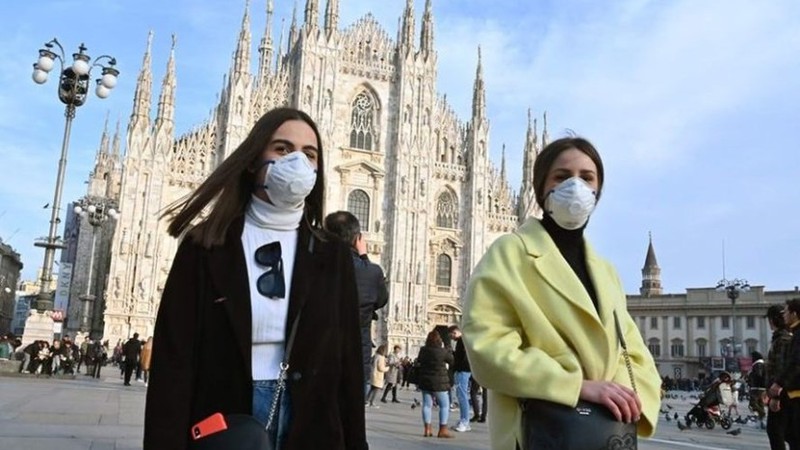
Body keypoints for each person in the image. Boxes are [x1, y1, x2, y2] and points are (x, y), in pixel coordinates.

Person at [144, 107, 367, 450]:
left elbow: (349, 365)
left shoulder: (331, 255)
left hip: (312, 425)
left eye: (309, 154)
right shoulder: (205, 246)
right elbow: (173, 364)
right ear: (252, 160)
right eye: (282, 149)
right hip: (226, 423)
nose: (297, 162)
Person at [462, 137, 662, 450]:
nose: (575, 186)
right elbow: (487, 346)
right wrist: (575, 387)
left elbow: (634, 351)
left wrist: (620, 395)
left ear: (597, 191)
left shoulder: (605, 270)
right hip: (540, 431)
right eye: (562, 176)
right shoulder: (511, 253)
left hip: (603, 432)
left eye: (587, 177)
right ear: (541, 187)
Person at [324, 210, 389, 396]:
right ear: (357, 239)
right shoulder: (372, 272)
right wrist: (364, 258)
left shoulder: (314, 264)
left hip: (321, 354)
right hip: (356, 357)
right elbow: (381, 299)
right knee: (350, 418)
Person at [769, 298, 800, 450]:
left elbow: (790, 365)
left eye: (787, 312)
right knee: (791, 434)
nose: (785, 315)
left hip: (790, 392)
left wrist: (776, 390)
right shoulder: (793, 335)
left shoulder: (788, 338)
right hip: (790, 391)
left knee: (777, 432)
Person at [416, 330, 455, 439]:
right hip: (439, 382)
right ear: (439, 340)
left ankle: (427, 429)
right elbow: (452, 361)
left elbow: (419, 361)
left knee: (427, 405)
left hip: (425, 381)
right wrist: (448, 350)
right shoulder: (442, 351)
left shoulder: (423, 350)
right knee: (444, 405)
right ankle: (442, 430)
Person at [765, 304, 792, 450]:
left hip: (782, 394)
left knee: (775, 431)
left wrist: (775, 396)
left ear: (773, 320)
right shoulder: (783, 337)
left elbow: (780, 369)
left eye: (769, 319)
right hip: (784, 393)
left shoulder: (782, 340)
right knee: (788, 433)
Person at [448, 325, 472, 432]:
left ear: (455, 332)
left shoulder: (464, 341)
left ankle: (465, 422)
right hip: (461, 370)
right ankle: (463, 420)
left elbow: (464, 358)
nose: (451, 337)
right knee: (460, 395)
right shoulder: (461, 341)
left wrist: (457, 367)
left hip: (463, 371)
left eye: (451, 335)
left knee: (462, 396)